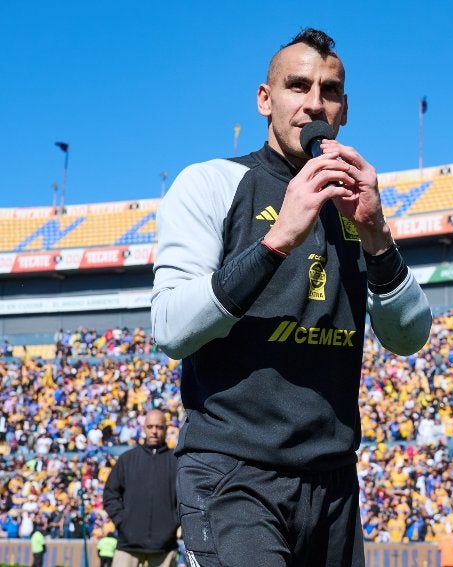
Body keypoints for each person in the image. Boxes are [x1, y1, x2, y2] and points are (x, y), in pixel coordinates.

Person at [151, 28, 431, 567]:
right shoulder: (211, 182)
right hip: (233, 473)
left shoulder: (356, 201)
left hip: (333, 482)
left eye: (329, 90)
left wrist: (376, 233)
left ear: (343, 107)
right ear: (265, 99)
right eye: (297, 86)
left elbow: (409, 337)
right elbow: (170, 329)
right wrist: (277, 240)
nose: (313, 104)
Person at [103, 410, 179, 567]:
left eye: (159, 427)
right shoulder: (127, 459)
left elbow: (186, 498)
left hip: (164, 547)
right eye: (150, 426)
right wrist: (122, 522)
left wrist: (174, 524)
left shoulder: (176, 461)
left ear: (166, 429)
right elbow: (110, 494)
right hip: (128, 545)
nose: (154, 431)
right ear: (143, 428)